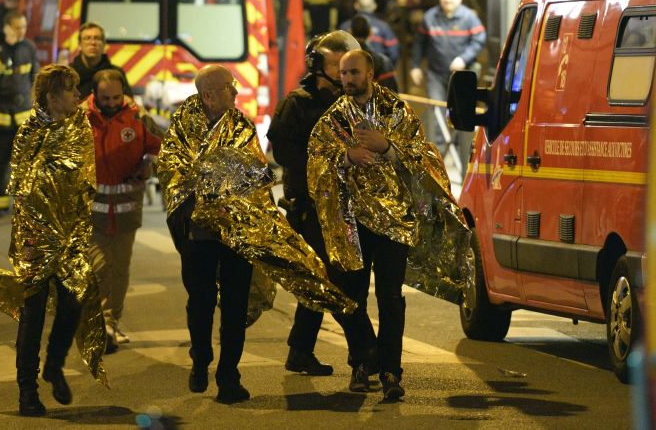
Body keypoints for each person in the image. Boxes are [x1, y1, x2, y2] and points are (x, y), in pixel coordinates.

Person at [156, 65, 354, 404]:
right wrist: (203, 203)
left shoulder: (241, 124)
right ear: (209, 95)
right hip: (200, 233)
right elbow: (173, 171)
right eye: (230, 88)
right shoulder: (183, 126)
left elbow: (256, 171)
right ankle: (201, 359)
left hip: (239, 231)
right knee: (201, 302)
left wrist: (248, 205)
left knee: (235, 306)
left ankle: (229, 376)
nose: (236, 92)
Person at [308, 50, 465, 401]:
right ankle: (362, 364)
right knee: (351, 295)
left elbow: (425, 158)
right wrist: (345, 157)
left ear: (370, 73)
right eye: (343, 73)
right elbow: (315, 160)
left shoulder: (397, 111)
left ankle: (391, 371)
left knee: (391, 298)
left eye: (353, 72)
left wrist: (388, 147)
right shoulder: (334, 117)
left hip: (395, 222)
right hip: (352, 221)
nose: (347, 79)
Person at [0, 65, 106, 417]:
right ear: (52, 96)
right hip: (36, 235)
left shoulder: (80, 128)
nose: (78, 96)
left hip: (70, 232)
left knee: (73, 302)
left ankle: (54, 365)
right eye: (72, 90)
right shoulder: (30, 131)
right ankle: (27, 391)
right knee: (33, 313)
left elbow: (85, 178)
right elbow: (22, 185)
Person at [268, 31, 377, 379]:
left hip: (348, 204)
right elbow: (285, 153)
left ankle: (300, 351)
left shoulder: (349, 103)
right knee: (338, 280)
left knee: (322, 279)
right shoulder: (298, 103)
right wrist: (331, 159)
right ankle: (366, 354)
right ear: (319, 67)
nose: (345, 71)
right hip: (312, 206)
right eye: (337, 65)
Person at [86, 69, 161, 353]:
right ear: (94, 94)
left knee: (120, 269)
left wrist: (148, 164)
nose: (112, 102)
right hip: (93, 212)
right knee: (99, 268)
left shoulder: (138, 116)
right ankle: (101, 324)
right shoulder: (81, 119)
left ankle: (112, 321)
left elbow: (159, 146)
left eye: (117, 96)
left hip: (127, 208)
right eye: (106, 98)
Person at [409, 0, 486, 157]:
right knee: (437, 112)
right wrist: (415, 66)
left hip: (461, 75)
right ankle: (438, 157)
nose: (447, 0)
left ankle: (463, 155)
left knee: (462, 113)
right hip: (436, 73)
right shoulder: (430, 17)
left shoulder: (468, 17)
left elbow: (479, 40)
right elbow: (419, 43)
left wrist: (463, 58)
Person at [0, 10, 38, 218]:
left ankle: (25, 206)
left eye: (24, 27)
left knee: (28, 165)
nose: (22, 32)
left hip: (23, 116)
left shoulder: (28, 48)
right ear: (7, 28)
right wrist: (6, 50)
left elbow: (34, 78)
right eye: (17, 28)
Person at [71, 22, 132, 100]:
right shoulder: (70, 74)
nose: (93, 42)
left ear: (104, 45)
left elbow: (128, 103)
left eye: (97, 38)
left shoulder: (116, 73)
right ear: (79, 45)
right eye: (87, 38)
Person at [339, 0, 400, 64]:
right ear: (374, 6)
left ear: (356, 6)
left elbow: (338, 53)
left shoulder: (344, 27)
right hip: (378, 70)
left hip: (351, 70)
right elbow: (394, 53)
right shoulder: (384, 27)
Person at [348, 15, 398, 91]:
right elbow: (391, 93)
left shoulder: (341, 61)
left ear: (350, 32)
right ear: (370, 33)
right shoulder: (383, 62)